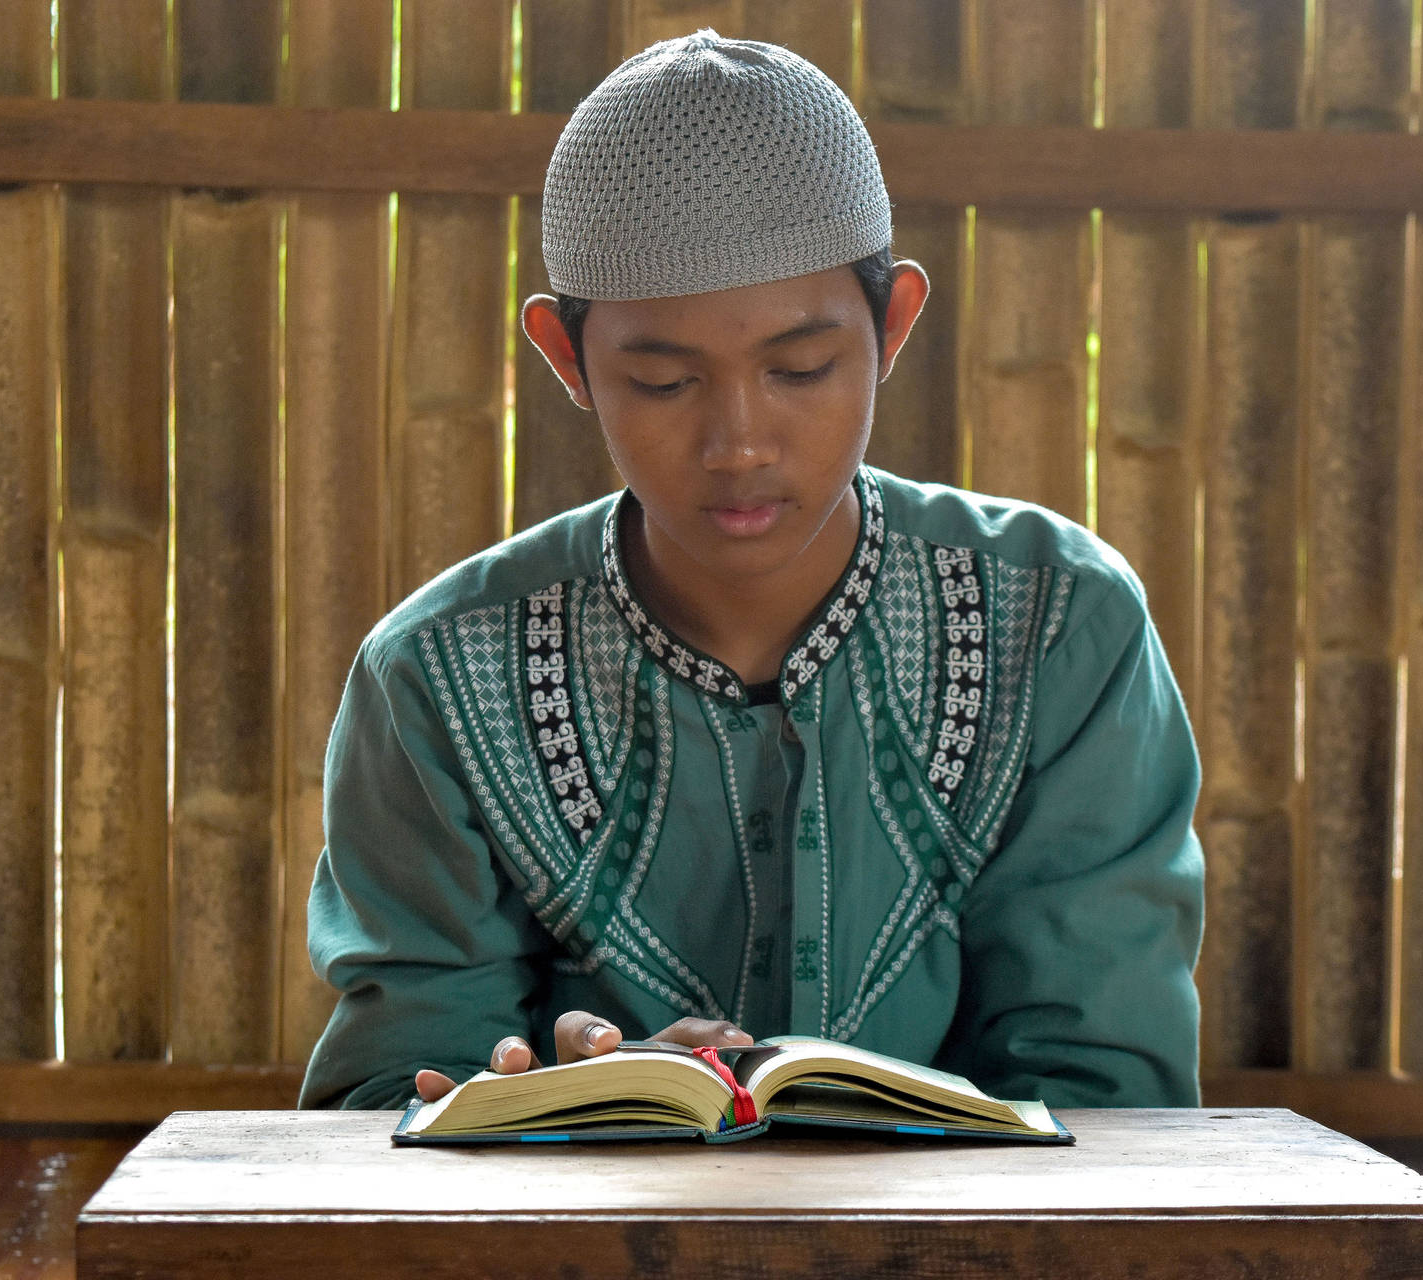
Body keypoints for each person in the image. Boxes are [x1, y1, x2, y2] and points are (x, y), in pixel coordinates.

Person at [299, 29, 1204, 1111]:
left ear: (894, 324)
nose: (739, 442)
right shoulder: (440, 678)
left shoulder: (1055, 624)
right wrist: (573, 1103)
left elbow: (1111, 1095)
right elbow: (388, 1106)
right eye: (665, 381)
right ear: (566, 358)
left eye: (800, 368)